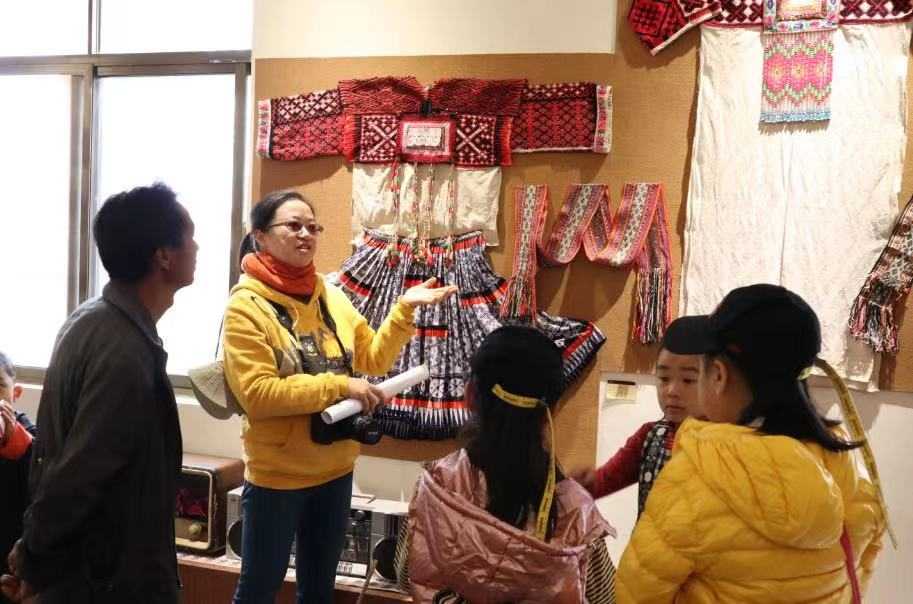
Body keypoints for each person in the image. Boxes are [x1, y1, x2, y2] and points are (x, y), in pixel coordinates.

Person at [224, 189, 456, 604]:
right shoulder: (245, 307)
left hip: (335, 470)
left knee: (318, 591)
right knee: (258, 590)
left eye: (313, 227)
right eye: (293, 226)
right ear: (260, 236)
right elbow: (258, 394)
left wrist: (404, 308)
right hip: (277, 476)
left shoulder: (330, 294)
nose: (306, 234)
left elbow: (374, 358)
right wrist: (340, 386)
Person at [616, 284, 886, 603]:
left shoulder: (696, 477)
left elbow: (637, 593)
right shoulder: (840, 461)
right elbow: (866, 550)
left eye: (695, 375)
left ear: (718, 375)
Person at [0, 183, 196, 603]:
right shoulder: (124, 349)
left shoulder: (92, 318)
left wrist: (35, 552)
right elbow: (80, 472)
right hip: (109, 579)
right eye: (190, 237)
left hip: (91, 569)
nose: (197, 247)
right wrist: (33, 554)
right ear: (163, 256)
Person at [396, 325, 617, 603]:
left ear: (470, 395)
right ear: (552, 410)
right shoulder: (573, 511)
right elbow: (603, 598)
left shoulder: (438, 484)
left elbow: (406, 574)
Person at [574, 318, 701, 517]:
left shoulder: (725, 445)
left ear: (717, 379)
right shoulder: (650, 436)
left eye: (688, 380)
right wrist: (580, 484)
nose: (672, 391)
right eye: (664, 378)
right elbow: (605, 480)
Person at [0, 353, 35, 604]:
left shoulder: (29, 435)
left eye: (0, 386)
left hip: (10, 558)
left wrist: (16, 442)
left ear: (16, 393)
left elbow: (49, 478)